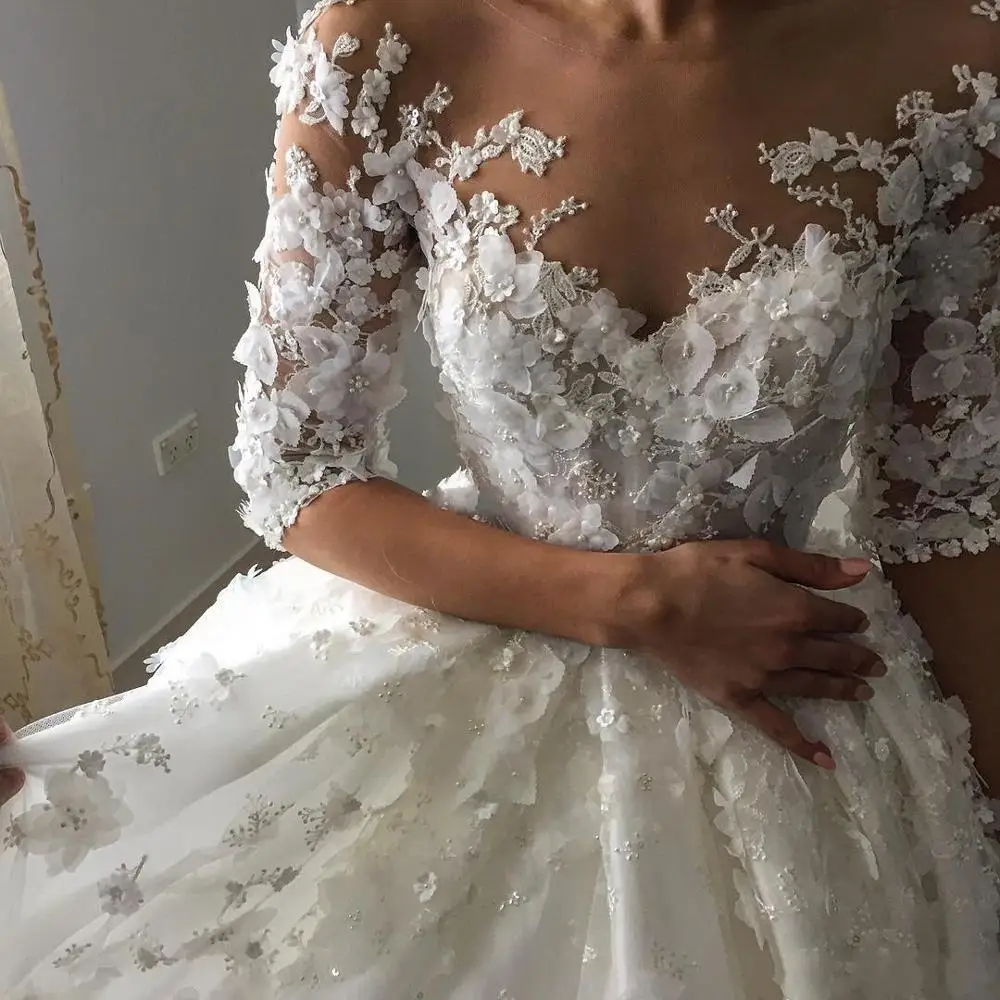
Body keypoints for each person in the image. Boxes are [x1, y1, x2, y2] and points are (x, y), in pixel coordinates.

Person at [2, 0, 999, 995]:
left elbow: (947, 521)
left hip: (801, 693)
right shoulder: (380, 48)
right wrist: (631, 603)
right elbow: (299, 470)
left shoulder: (951, 63)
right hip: (475, 635)